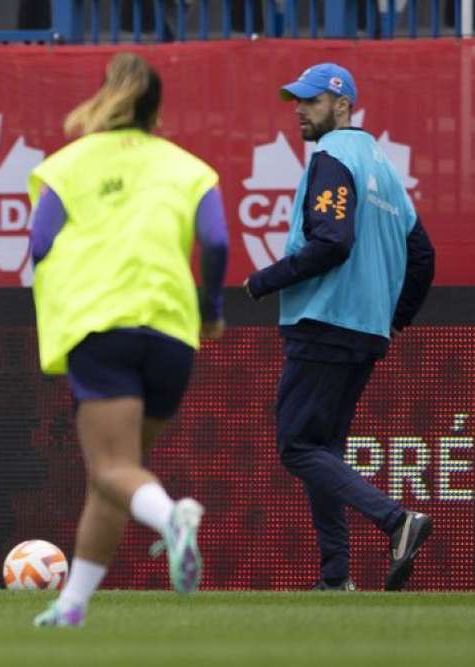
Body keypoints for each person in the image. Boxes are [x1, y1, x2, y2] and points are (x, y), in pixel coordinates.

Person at [27, 52, 229, 627]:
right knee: (116, 473)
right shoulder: (189, 167)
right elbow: (214, 242)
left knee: (114, 467)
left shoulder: (69, 164)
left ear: (107, 96)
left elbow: (40, 242)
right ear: (156, 108)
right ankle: (71, 606)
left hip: (103, 324)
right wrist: (210, 309)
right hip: (171, 332)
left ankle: (171, 517)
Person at [244, 63, 436, 591]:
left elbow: (332, 242)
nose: (299, 111)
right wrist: (393, 322)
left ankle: (397, 521)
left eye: (310, 101)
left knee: (296, 447)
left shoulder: (333, 156)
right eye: (297, 101)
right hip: (364, 329)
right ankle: (335, 578)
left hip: (325, 320)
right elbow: (423, 256)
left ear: (342, 104)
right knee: (321, 451)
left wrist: (267, 279)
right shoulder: (386, 168)